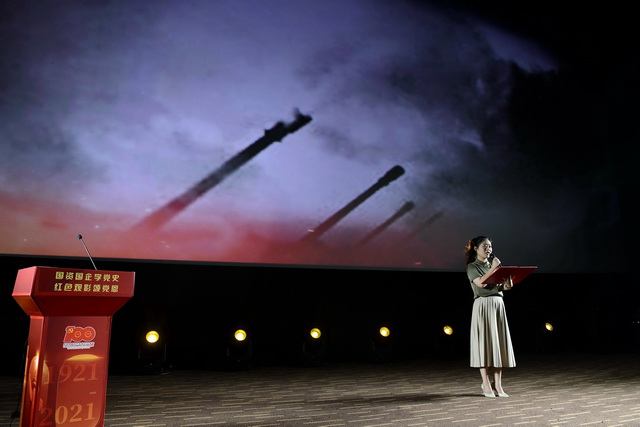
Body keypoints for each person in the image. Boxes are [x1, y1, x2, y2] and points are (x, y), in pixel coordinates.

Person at [465, 236, 515, 398]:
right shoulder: (472, 266)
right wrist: (493, 268)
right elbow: (481, 284)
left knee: (498, 345)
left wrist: (506, 286)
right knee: (484, 345)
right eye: (485, 246)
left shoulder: (493, 265)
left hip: (497, 304)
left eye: (490, 247)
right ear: (475, 249)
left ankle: (498, 385)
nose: (488, 249)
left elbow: (498, 287)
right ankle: (486, 384)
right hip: (483, 305)